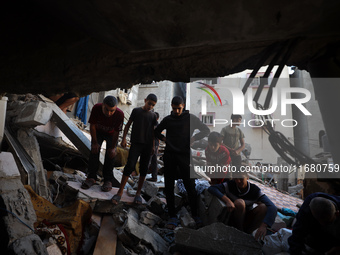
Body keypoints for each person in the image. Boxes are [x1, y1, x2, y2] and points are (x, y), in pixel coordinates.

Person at [154, 96, 210, 229]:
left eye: (179, 109)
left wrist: (194, 138)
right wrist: (164, 139)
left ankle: (195, 215)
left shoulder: (190, 118)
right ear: (171, 107)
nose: (177, 111)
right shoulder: (168, 119)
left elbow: (206, 130)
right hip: (170, 155)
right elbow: (156, 131)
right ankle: (172, 216)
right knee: (168, 186)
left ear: (183, 106)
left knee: (190, 185)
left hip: (185, 155)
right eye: (174, 109)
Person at [111, 94, 158, 204]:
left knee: (144, 169)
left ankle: (138, 194)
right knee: (129, 166)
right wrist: (123, 139)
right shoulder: (136, 111)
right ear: (145, 100)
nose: (150, 106)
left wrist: (153, 146)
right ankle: (120, 192)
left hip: (147, 146)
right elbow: (127, 125)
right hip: (136, 144)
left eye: (153, 105)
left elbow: (153, 132)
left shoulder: (153, 116)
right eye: (149, 103)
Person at [208, 170, 277, 241]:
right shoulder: (230, 185)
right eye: (236, 178)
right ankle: (239, 232)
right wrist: (227, 200)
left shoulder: (254, 190)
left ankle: (247, 234)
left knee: (263, 207)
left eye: (241, 178)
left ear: (247, 177)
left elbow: (272, 207)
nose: (238, 181)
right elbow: (212, 188)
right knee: (239, 203)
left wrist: (264, 225)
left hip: (247, 221)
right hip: (233, 219)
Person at [81, 95, 124, 191]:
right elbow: (92, 126)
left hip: (111, 135)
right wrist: (95, 143)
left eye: (112, 111)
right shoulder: (96, 108)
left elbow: (117, 132)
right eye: (106, 109)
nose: (109, 113)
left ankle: (107, 180)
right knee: (94, 151)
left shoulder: (120, 114)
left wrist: (113, 148)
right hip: (98, 132)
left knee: (111, 155)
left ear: (116, 108)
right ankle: (91, 177)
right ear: (103, 105)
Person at [147, 112, 160, 182]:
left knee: (148, 160)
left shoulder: (155, 125)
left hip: (153, 145)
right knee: (154, 161)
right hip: (155, 144)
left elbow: (155, 136)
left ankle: (142, 176)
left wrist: (154, 146)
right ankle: (154, 176)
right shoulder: (156, 125)